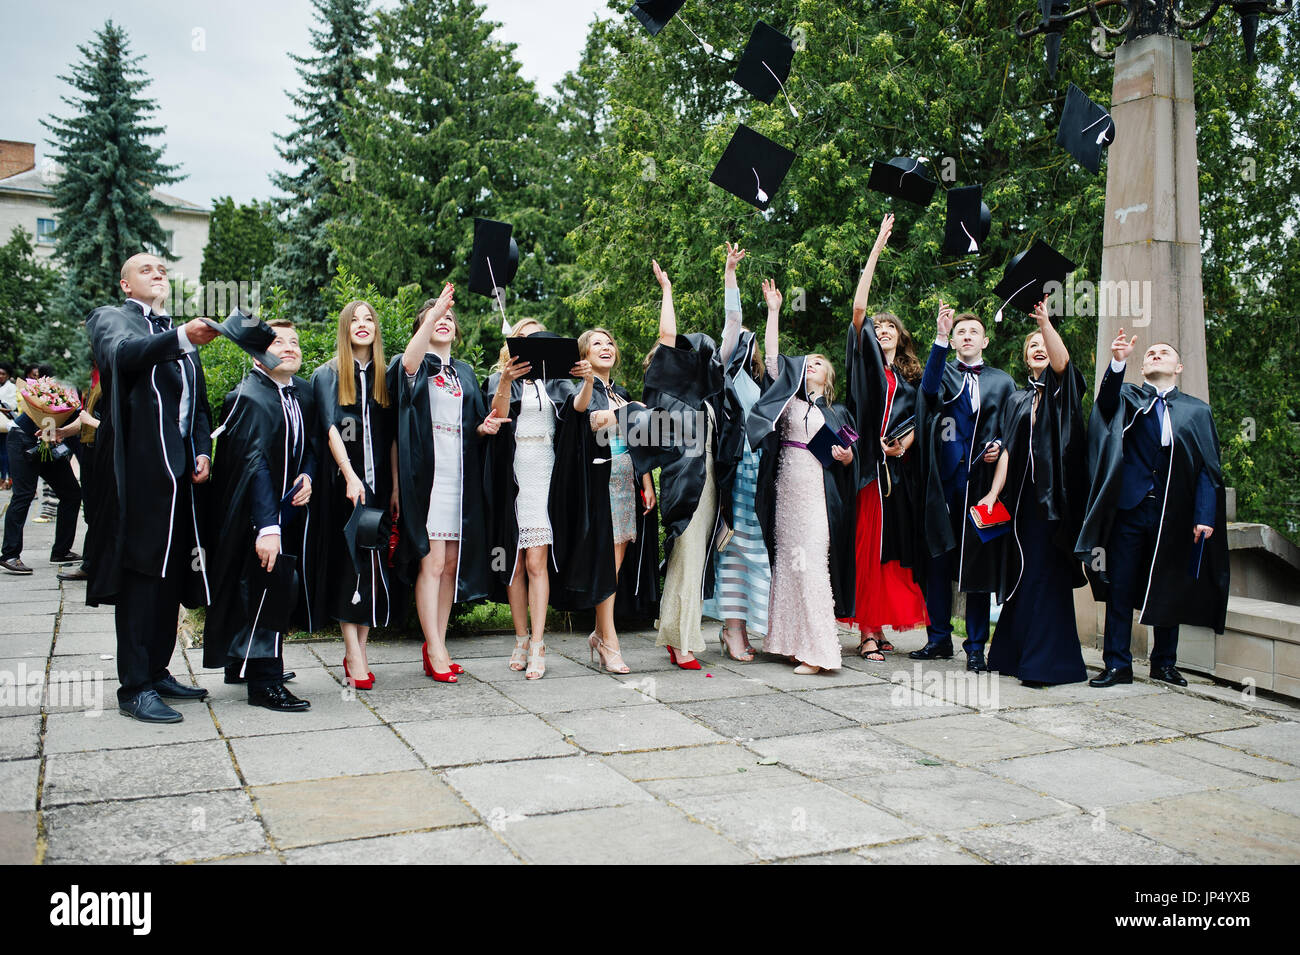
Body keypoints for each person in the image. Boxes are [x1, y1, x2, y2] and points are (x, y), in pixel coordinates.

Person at [85, 252, 217, 723]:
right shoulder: (112, 320)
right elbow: (123, 357)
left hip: (181, 478)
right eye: (146, 270)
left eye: (162, 269)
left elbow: (198, 405)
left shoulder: (180, 338)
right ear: (125, 285)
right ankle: (134, 687)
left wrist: (202, 449)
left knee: (171, 579)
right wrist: (179, 337)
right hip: (139, 478)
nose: (158, 274)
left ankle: (158, 670)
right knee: (142, 579)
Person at [1076, 332, 1229, 687]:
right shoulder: (1128, 397)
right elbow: (1105, 403)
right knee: (1121, 587)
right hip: (1128, 510)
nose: (1157, 355)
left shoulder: (1197, 411)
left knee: (1168, 584)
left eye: (1165, 354)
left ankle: (1164, 663)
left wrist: (1204, 515)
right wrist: (1118, 362)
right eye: (1151, 354)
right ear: (1142, 367)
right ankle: (1117, 664)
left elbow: (1209, 467)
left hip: (1174, 514)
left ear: (1179, 368)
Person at [202, 321, 315, 711]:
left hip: (284, 509)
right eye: (277, 342)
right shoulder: (250, 396)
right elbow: (255, 465)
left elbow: (311, 442)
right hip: (255, 515)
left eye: (295, 342)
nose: (289, 347)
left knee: (261, 588)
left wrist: (309, 475)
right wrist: (267, 526)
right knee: (266, 589)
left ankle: (242, 664)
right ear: (256, 355)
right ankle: (264, 683)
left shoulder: (297, 393)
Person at [389, 284, 498, 684]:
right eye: (435, 318)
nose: (444, 321)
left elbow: (474, 423)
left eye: (449, 318)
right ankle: (433, 646)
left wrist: (483, 428)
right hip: (426, 476)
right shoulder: (413, 364)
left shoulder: (465, 372)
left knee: (451, 564)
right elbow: (409, 366)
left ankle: (439, 641)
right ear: (424, 326)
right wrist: (437, 308)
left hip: (460, 474)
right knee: (431, 563)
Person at [977, 300, 1088, 686]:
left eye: (1043, 342)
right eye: (1031, 346)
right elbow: (1007, 449)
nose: (1038, 347)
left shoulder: (1065, 389)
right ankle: (1011, 654)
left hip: (1054, 502)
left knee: (1045, 574)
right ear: (1025, 359)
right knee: (1024, 575)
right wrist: (993, 494)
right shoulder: (1018, 399)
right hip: (1021, 505)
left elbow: (1063, 363)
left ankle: (1047, 665)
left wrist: (1044, 322)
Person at [749, 279, 857, 675]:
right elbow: (775, 362)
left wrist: (846, 458)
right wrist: (774, 312)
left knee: (812, 563)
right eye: (806, 361)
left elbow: (850, 460)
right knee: (790, 564)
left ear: (827, 377)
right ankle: (791, 642)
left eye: (817, 363)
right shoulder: (789, 401)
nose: (809, 364)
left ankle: (819, 650)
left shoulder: (836, 412)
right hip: (786, 487)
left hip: (818, 492)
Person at [842, 214, 928, 661]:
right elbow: (859, 310)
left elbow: (920, 420)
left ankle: (882, 623)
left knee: (893, 550)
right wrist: (876, 247)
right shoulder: (866, 365)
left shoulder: (910, 380)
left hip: (899, 473)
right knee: (868, 545)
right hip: (868, 470)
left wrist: (906, 443)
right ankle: (868, 631)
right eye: (876, 329)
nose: (881, 331)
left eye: (889, 327)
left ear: (900, 335)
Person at [911, 305, 1015, 672]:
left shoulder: (1003, 381)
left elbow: (1011, 427)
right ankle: (938, 639)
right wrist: (939, 340)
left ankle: (975, 647)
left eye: (974, 331)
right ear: (954, 340)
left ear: (985, 340)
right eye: (960, 331)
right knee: (937, 560)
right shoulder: (943, 374)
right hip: (943, 481)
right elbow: (926, 392)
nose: (967, 335)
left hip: (983, 484)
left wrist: (1000, 445)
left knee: (977, 566)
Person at [646, 258, 739, 669]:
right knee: (685, 558)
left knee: (695, 561)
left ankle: (676, 633)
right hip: (686, 483)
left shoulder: (709, 399)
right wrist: (666, 290)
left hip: (711, 484)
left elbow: (732, 329)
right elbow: (668, 338)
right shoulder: (669, 392)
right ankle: (681, 641)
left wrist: (729, 277)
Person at [549, 327, 658, 674]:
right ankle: (609, 642)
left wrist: (646, 481)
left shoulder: (620, 392)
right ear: (584, 356)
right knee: (605, 565)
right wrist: (634, 410)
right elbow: (590, 419)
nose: (606, 346)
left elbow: (638, 438)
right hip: (598, 484)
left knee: (617, 559)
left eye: (610, 341)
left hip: (628, 480)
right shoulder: (582, 389)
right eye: (597, 343)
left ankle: (598, 633)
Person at [483, 319, 584, 680]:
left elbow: (577, 413)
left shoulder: (558, 381)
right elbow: (497, 416)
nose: (529, 343)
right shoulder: (500, 379)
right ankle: (520, 638)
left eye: (536, 337)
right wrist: (508, 380)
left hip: (545, 469)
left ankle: (539, 643)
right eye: (522, 338)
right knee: (513, 560)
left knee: (537, 559)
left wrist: (585, 377)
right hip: (514, 472)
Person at [311, 300, 393, 690]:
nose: (363, 325)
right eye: (354, 320)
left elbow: (391, 437)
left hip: (379, 488)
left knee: (373, 567)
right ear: (345, 330)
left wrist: (392, 487)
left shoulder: (383, 375)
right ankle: (354, 653)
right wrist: (350, 476)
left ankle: (358, 650)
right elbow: (329, 429)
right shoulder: (328, 373)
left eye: (369, 320)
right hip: (346, 487)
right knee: (350, 567)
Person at [701, 242, 767, 661]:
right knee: (736, 548)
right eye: (742, 340)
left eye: (751, 341)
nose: (747, 343)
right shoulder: (726, 369)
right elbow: (732, 320)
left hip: (761, 470)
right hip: (734, 468)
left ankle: (749, 625)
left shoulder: (760, 384)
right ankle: (733, 630)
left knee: (757, 550)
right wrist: (730, 274)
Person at [0, 376, 82, 576]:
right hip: (23, 439)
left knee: (71, 494)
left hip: (48, 442)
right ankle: (9, 554)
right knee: (24, 494)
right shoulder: (66, 385)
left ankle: (61, 551)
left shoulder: (82, 389)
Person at [0, 364, 17, 491]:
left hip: (5, 425)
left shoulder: (12, 387)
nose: (0, 376)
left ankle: (8, 479)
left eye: (3, 374)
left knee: (6, 453)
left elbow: (12, 405)